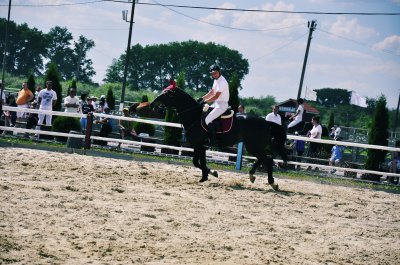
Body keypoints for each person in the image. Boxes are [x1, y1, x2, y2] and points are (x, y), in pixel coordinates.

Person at [201, 64, 230, 145]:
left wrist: (205, 101)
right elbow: (211, 92)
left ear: (219, 72)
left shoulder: (222, 81)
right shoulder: (216, 80)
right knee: (203, 114)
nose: (214, 75)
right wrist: (201, 99)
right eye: (212, 73)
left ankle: (214, 140)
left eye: (215, 73)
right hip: (216, 103)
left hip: (222, 105)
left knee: (207, 120)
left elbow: (216, 96)